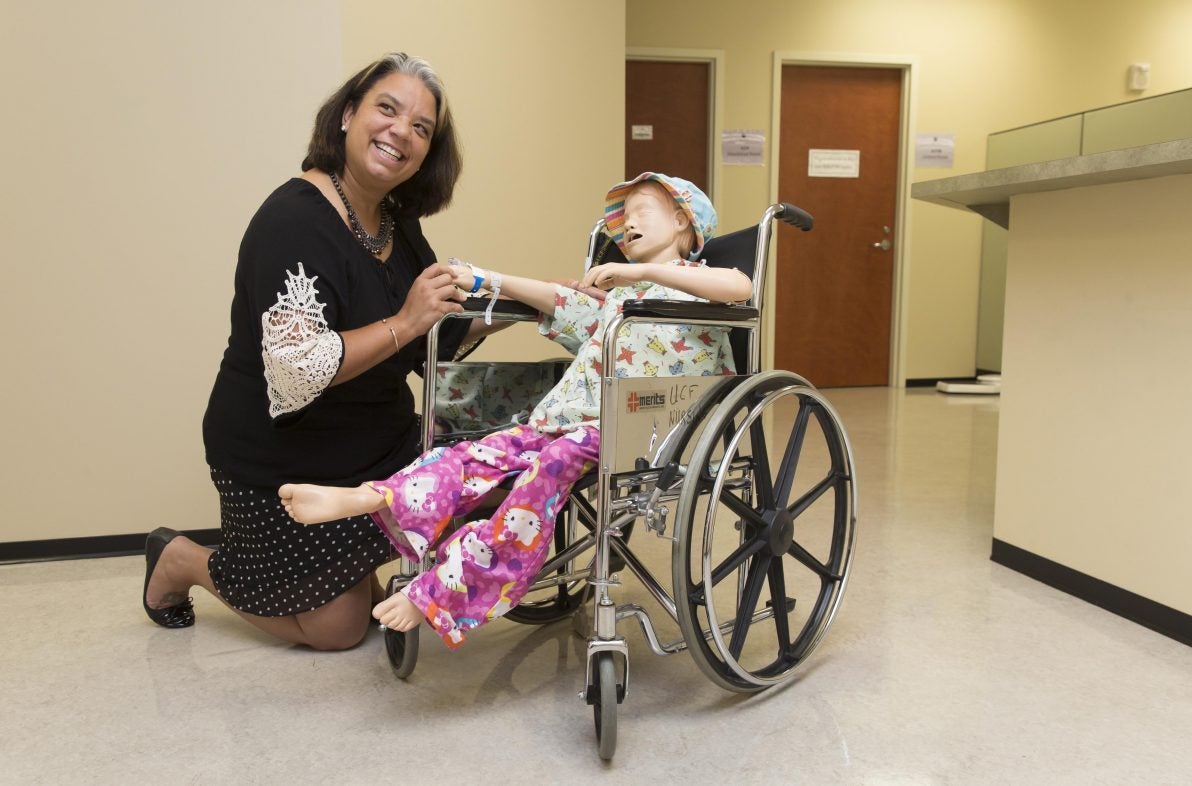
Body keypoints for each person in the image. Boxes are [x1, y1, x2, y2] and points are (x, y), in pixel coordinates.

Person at [278, 173, 753, 649]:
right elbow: (557, 300)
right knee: (479, 451)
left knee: (548, 466)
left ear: (682, 222)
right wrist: (486, 279)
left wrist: (640, 273)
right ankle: (370, 497)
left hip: (651, 430)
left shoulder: (700, 291)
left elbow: (741, 287)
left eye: (641, 212)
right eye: (623, 218)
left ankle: (436, 593)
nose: (627, 224)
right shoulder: (617, 304)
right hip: (570, 424)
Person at [141, 53, 476, 651]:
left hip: (375, 447)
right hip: (281, 457)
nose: (402, 131)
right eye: (387, 109)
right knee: (341, 631)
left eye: (421, 128)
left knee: (482, 489)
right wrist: (404, 320)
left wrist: (518, 307)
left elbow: (433, 337)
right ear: (348, 116)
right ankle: (184, 559)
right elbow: (299, 371)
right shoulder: (292, 219)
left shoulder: (397, 223)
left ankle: (342, 576)